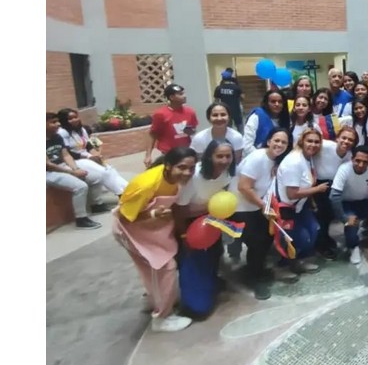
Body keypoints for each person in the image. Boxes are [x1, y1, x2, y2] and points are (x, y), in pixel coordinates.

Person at [113, 147, 198, 332]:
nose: (187, 173)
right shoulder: (145, 184)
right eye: (181, 167)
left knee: (159, 270)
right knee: (163, 268)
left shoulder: (177, 180)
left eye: (191, 168)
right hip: (131, 231)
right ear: (168, 165)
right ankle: (161, 318)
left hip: (154, 230)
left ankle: (156, 300)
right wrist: (153, 213)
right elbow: (126, 216)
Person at [174, 139, 236, 317]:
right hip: (188, 224)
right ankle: (193, 306)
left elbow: (222, 196)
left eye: (228, 156)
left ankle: (212, 285)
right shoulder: (193, 177)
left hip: (211, 219)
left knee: (214, 254)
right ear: (209, 156)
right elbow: (179, 210)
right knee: (193, 261)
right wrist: (183, 236)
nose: (224, 160)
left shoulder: (228, 173)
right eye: (219, 156)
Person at [230, 129, 293, 300]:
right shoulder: (258, 157)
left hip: (255, 206)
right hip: (241, 208)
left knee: (267, 237)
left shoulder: (274, 161)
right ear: (268, 141)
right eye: (276, 140)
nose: (279, 145)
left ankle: (257, 269)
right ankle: (254, 279)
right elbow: (243, 187)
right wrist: (264, 206)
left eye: (284, 142)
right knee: (257, 242)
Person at [274, 129, 326, 274]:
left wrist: (312, 202)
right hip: (286, 208)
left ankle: (301, 258)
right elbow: (292, 194)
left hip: (300, 206)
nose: (313, 145)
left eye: (317, 142)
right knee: (301, 237)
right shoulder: (294, 162)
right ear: (302, 141)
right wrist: (317, 189)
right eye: (310, 141)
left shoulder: (308, 157)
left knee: (314, 229)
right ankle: (287, 263)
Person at [328, 146, 368, 265]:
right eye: (357, 161)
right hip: (348, 203)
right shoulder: (344, 169)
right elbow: (334, 196)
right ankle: (353, 247)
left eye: (365, 162)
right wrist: (344, 218)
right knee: (351, 225)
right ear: (352, 159)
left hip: (367, 202)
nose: (360, 165)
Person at [56, 108, 129, 201]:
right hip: (75, 160)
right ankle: (121, 194)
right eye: (70, 119)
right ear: (63, 120)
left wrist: (96, 155)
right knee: (103, 172)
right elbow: (66, 152)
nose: (74, 120)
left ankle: (128, 189)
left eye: (75, 117)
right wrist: (89, 157)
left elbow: (89, 144)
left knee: (110, 170)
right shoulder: (62, 133)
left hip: (87, 156)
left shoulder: (82, 129)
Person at [46, 112, 102, 230]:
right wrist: (72, 173)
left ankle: (96, 205)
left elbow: (66, 155)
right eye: (53, 122)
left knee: (96, 177)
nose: (58, 124)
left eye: (58, 121)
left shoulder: (57, 137)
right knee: (80, 187)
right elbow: (48, 165)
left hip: (61, 166)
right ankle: (81, 219)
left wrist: (76, 169)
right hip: (48, 172)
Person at [313, 127, 358, 259]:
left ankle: (325, 238)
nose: (346, 141)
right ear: (337, 138)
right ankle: (320, 245)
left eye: (350, 140)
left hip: (333, 186)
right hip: (317, 183)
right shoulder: (325, 146)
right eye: (344, 138)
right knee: (321, 216)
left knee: (329, 215)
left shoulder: (349, 156)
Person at [144, 84, 199, 168]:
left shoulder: (190, 112)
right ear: (171, 97)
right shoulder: (160, 114)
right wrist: (148, 155)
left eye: (184, 93)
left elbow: (193, 130)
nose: (184, 96)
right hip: (168, 153)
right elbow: (152, 134)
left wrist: (190, 131)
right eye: (180, 94)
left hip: (186, 151)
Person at [242, 89, 290, 157]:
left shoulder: (286, 119)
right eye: (273, 101)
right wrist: (266, 158)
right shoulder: (257, 116)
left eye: (280, 102)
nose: (277, 104)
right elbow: (247, 146)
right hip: (255, 158)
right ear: (266, 103)